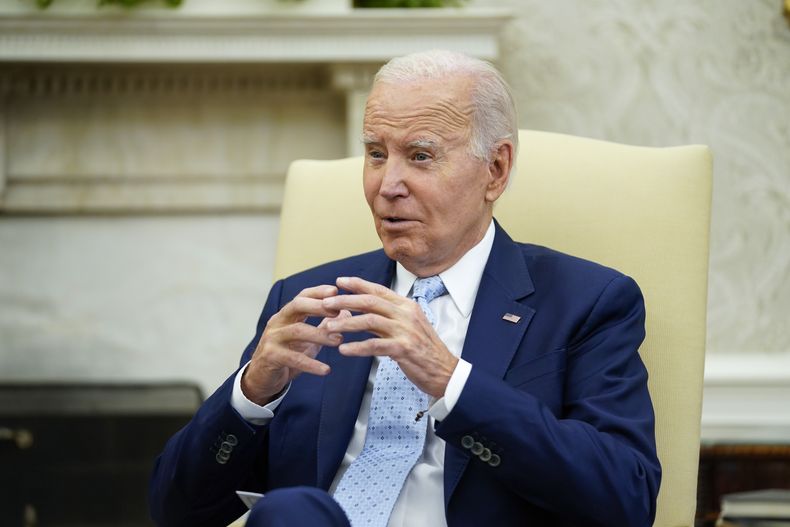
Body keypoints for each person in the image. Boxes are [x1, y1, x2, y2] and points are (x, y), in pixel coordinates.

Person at [149, 50, 661, 527]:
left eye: (419, 156)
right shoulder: (307, 300)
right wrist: (251, 392)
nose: (387, 184)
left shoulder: (587, 302)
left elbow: (626, 496)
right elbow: (177, 510)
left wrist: (450, 380)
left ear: (496, 170)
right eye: (375, 154)